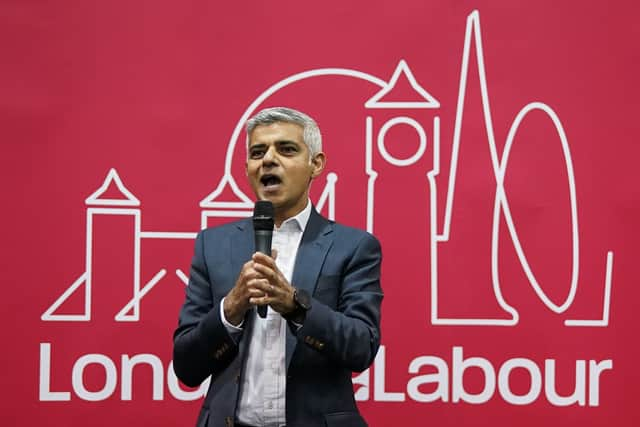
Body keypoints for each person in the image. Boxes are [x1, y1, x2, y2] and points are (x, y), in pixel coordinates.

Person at [173, 107, 383, 427]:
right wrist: (231, 308)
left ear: (316, 164)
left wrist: (295, 306)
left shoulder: (353, 247)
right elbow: (186, 366)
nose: (269, 159)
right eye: (258, 152)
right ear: (246, 168)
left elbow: (361, 347)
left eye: (286, 149)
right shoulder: (212, 245)